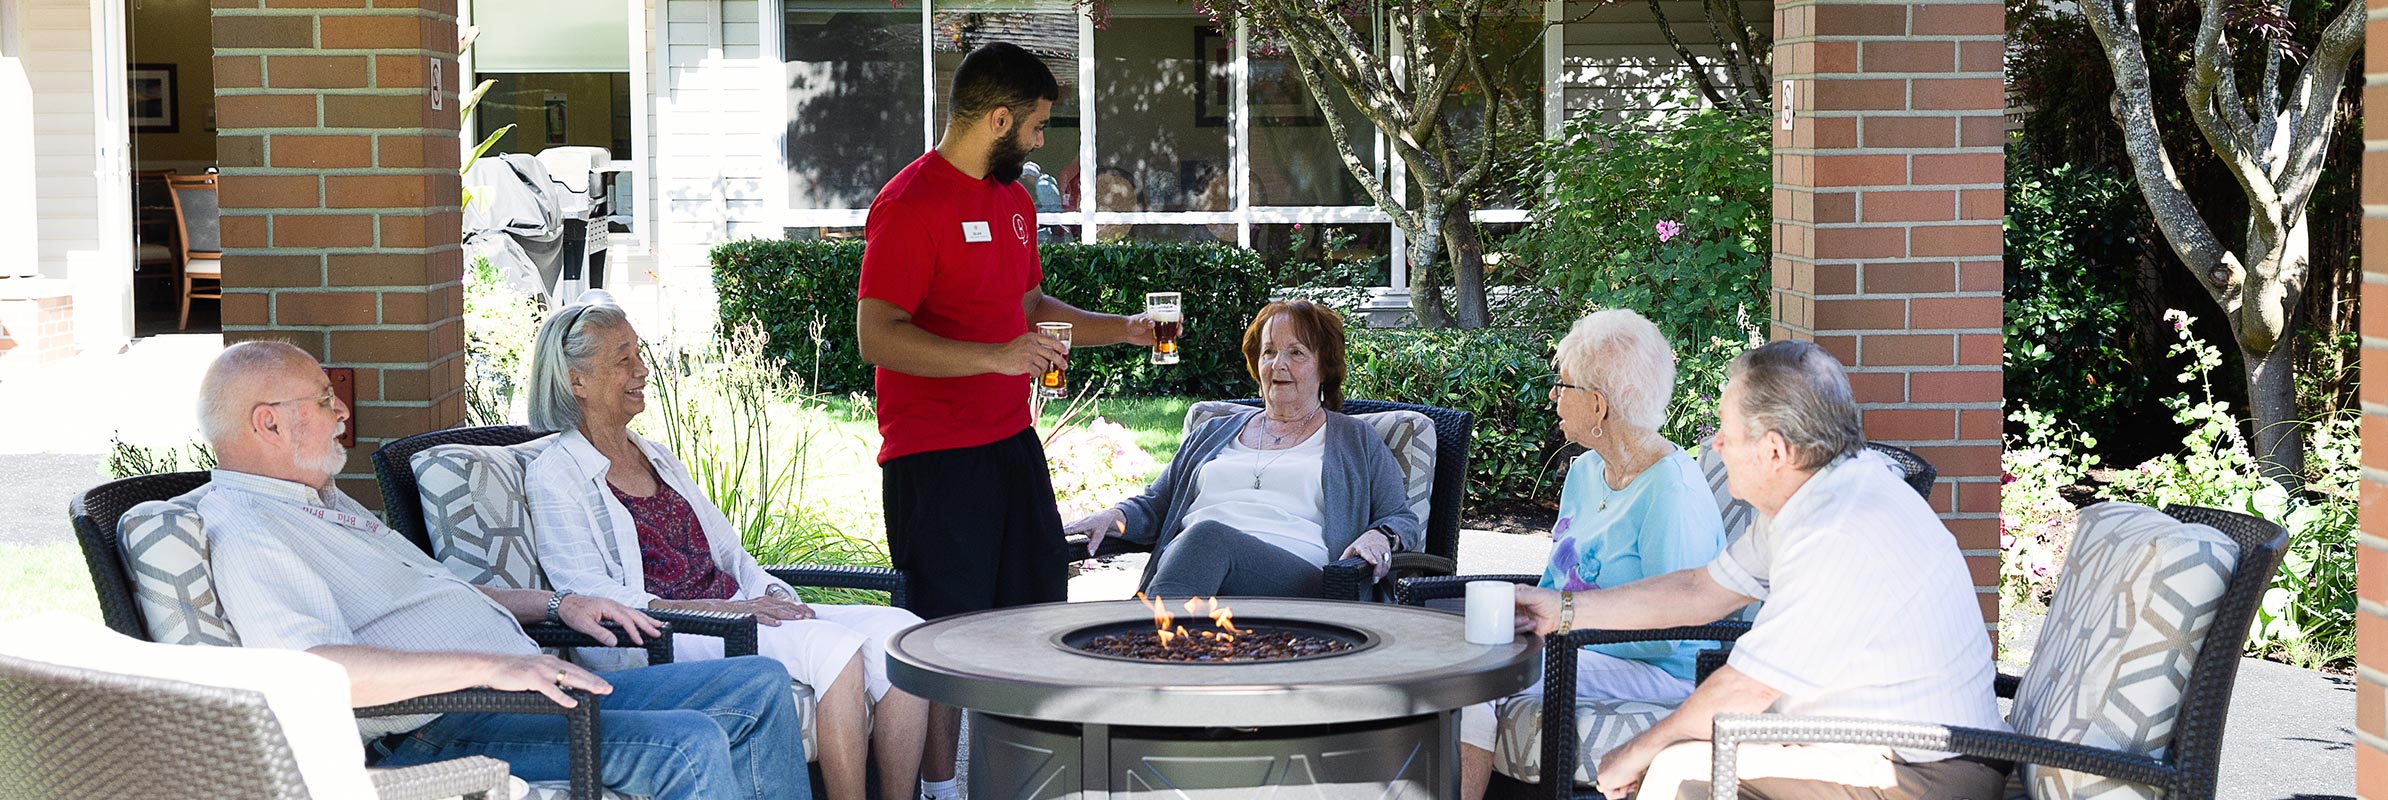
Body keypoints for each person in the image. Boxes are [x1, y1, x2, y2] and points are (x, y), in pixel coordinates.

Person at [195, 340, 810, 800]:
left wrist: (554, 604)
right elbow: (311, 671)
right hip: (436, 728)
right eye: (325, 398)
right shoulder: (249, 527)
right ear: (267, 421)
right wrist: (493, 665)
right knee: (689, 745)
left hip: (522, 691)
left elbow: (440, 593)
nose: (342, 413)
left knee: (755, 683)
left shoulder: (321, 502)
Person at [1512, 340, 2009, 800]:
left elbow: (1748, 687)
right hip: (1865, 744)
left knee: (1677, 769)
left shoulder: (1837, 531)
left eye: (1726, 433)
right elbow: (1700, 590)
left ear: (1774, 451)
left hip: (1924, 769)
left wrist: (1638, 748)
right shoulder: (1816, 495)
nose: (1715, 447)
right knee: (1681, 762)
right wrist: (1564, 608)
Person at [854, 40, 1153, 799]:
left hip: (1009, 447)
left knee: (1034, 618)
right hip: (933, 461)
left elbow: (1029, 313)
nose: (1039, 142)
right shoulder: (909, 203)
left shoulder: (1015, 202)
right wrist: (992, 357)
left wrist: (1120, 326)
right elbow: (876, 333)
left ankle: (1025, 779)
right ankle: (941, 788)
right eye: (1036, 127)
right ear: (996, 118)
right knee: (947, 636)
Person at [521, 294, 933, 800]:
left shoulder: (654, 455)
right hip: (668, 631)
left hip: (733, 608)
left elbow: (729, 550)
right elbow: (587, 590)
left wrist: (771, 594)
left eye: (639, 353)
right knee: (834, 649)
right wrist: (719, 610)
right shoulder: (556, 473)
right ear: (575, 381)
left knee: (903, 634)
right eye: (622, 359)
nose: (642, 370)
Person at [1457, 310, 1727, 799]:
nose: (1554, 397)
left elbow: (1669, 634)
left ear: (1598, 405)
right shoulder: (1584, 472)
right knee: (1456, 666)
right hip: (1571, 646)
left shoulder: (1672, 491)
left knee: (1474, 688)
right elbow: (1553, 584)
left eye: (1563, 385)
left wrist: (1562, 628)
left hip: (1660, 674)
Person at [1066, 300, 1419, 598]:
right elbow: (1156, 504)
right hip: (1195, 568)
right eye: (1269, 352)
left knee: (1207, 537)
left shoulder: (1355, 439)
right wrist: (1113, 516)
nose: (1278, 364)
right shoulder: (1213, 431)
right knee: (1204, 540)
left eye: (1296, 353)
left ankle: (1140, 642)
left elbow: (1401, 518)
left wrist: (1380, 535)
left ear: (1324, 366)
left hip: (1296, 579)